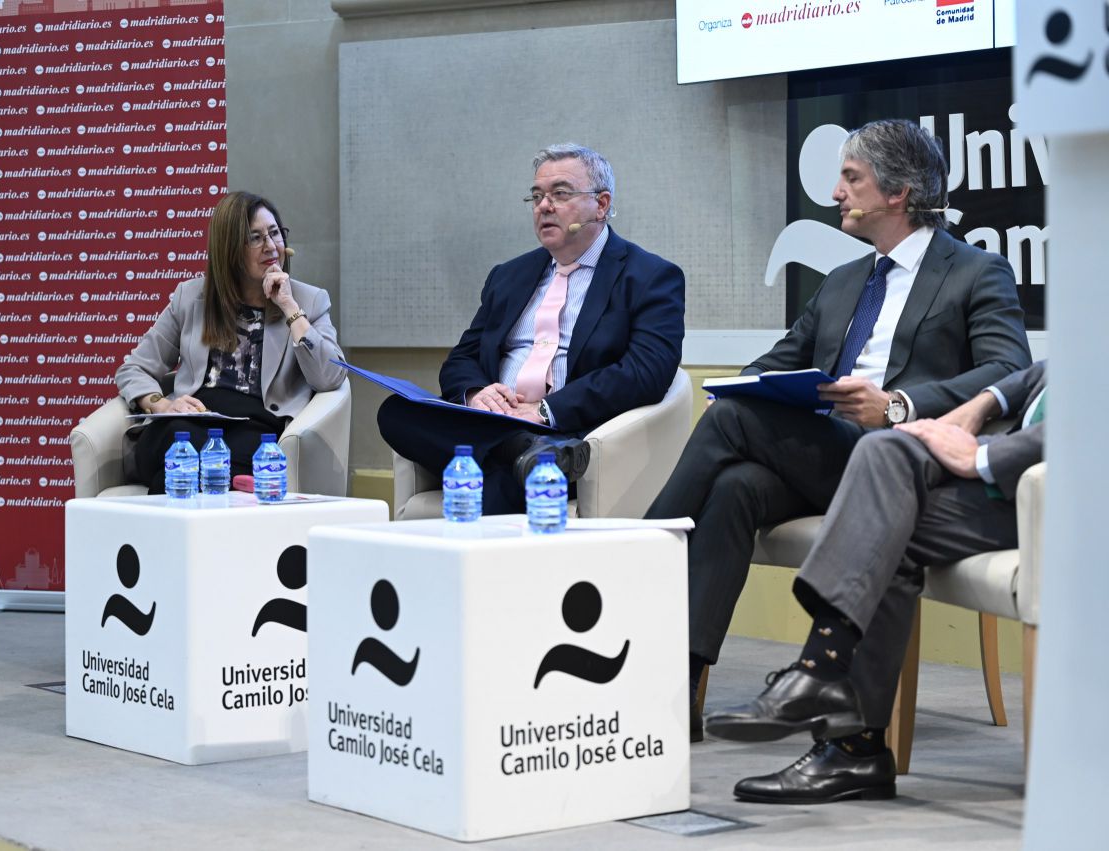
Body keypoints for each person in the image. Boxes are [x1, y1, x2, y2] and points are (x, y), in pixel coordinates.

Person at [643, 119, 1032, 719]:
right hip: (827, 451)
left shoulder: (976, 271)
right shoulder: (844, 281)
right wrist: (743, 386)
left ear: (898, 193)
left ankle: (630, 562)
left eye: (851, 178)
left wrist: (899, 406)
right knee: (734, 486)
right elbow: (775, 362)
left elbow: (1009, 368)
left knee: (728, 425)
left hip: (900, 462)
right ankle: (675, 690)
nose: (835, 193)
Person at [704, 360, 1047, 803]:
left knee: (883, 523)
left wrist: (981, 456)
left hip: (1059, 493)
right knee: (882, 453)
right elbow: (1045, 372)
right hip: (1009, 479)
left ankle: (836, 711)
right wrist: (983, 403)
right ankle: (845, 730)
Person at [377, 143, 686, 514]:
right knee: (396, 411)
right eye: (537, 196)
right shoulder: (509, 275)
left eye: (560, 194)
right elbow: (462, 357)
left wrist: (546, 410)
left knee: (501, 488)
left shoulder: (649, 276)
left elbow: (646, 371)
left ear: (601, 204)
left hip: (567, 428)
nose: (544, 206)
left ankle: (533, 455)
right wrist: (477, 395)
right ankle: (523, 450)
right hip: (492, 422)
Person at [115, 191, 345, 493]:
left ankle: (177, 517)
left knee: (179, 470)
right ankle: (227, 484)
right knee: (179, 439)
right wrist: (162, 404)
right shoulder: (192, 297)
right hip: (188, 426)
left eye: (275, 233)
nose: (271, 247)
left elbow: (331, 376)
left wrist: (289, 307)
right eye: (256, 238)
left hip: (255, 431)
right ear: (230, 250)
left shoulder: (308, 301)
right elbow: (133, 369)